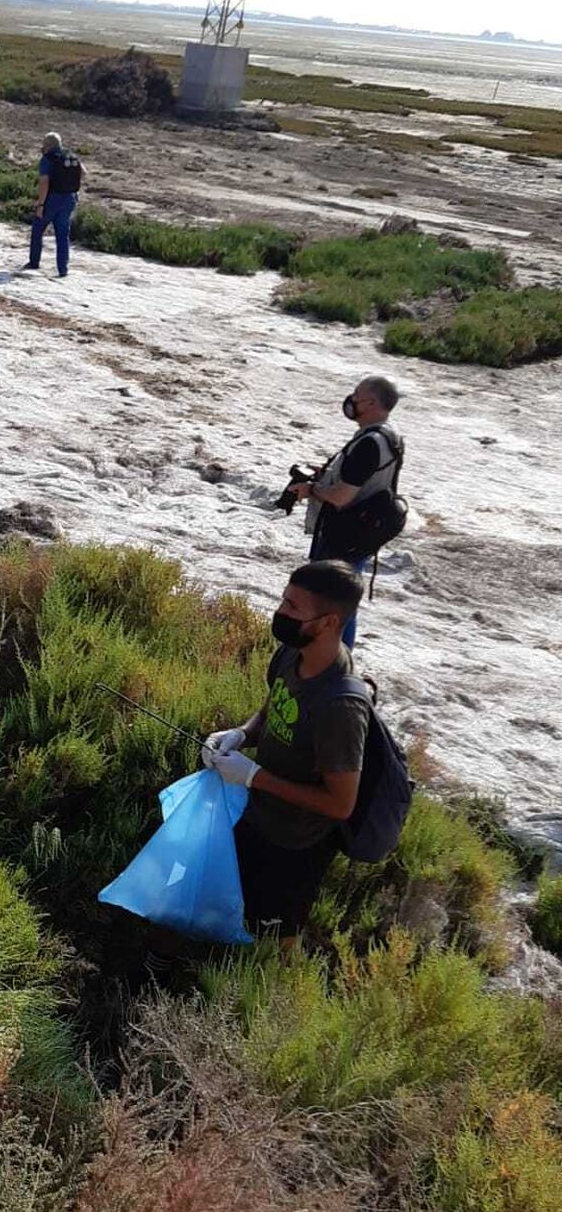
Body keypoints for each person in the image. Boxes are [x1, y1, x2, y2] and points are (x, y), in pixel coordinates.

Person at [201, 560, 369, 942]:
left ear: (327, 622)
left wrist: (254, 776)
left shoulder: (341, 705)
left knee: (276, 938)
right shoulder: (292, 654)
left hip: (297, 843)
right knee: (223, 902)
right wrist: (242, 735)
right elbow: (273, 705)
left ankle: (271, 996)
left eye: (293, 607)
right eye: (283, 600)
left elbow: (340, 804)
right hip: (255, 815)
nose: (280, 612)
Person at [288, 375, 405, 648]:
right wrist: (325, 476)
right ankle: (334, 659)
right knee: (343, 602)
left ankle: (328, 661)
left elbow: (341, 497)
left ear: (372, 402)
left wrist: (312, 490)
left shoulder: (368, 443)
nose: (350, 401)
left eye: (356, 396)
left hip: (342, 536)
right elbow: (361, 480)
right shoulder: (391, 435)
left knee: (330, 605)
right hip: (362, 534)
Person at [28, 132, 83, 279]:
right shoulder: (71, 156)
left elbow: (44, 183)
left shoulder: (47, 160)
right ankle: (62, 269)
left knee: (38, 229)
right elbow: (82, 173)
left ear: (48, 145)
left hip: (52, 199)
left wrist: (40, 204)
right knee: (62, 235)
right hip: (70, 199)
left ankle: (34, 262)